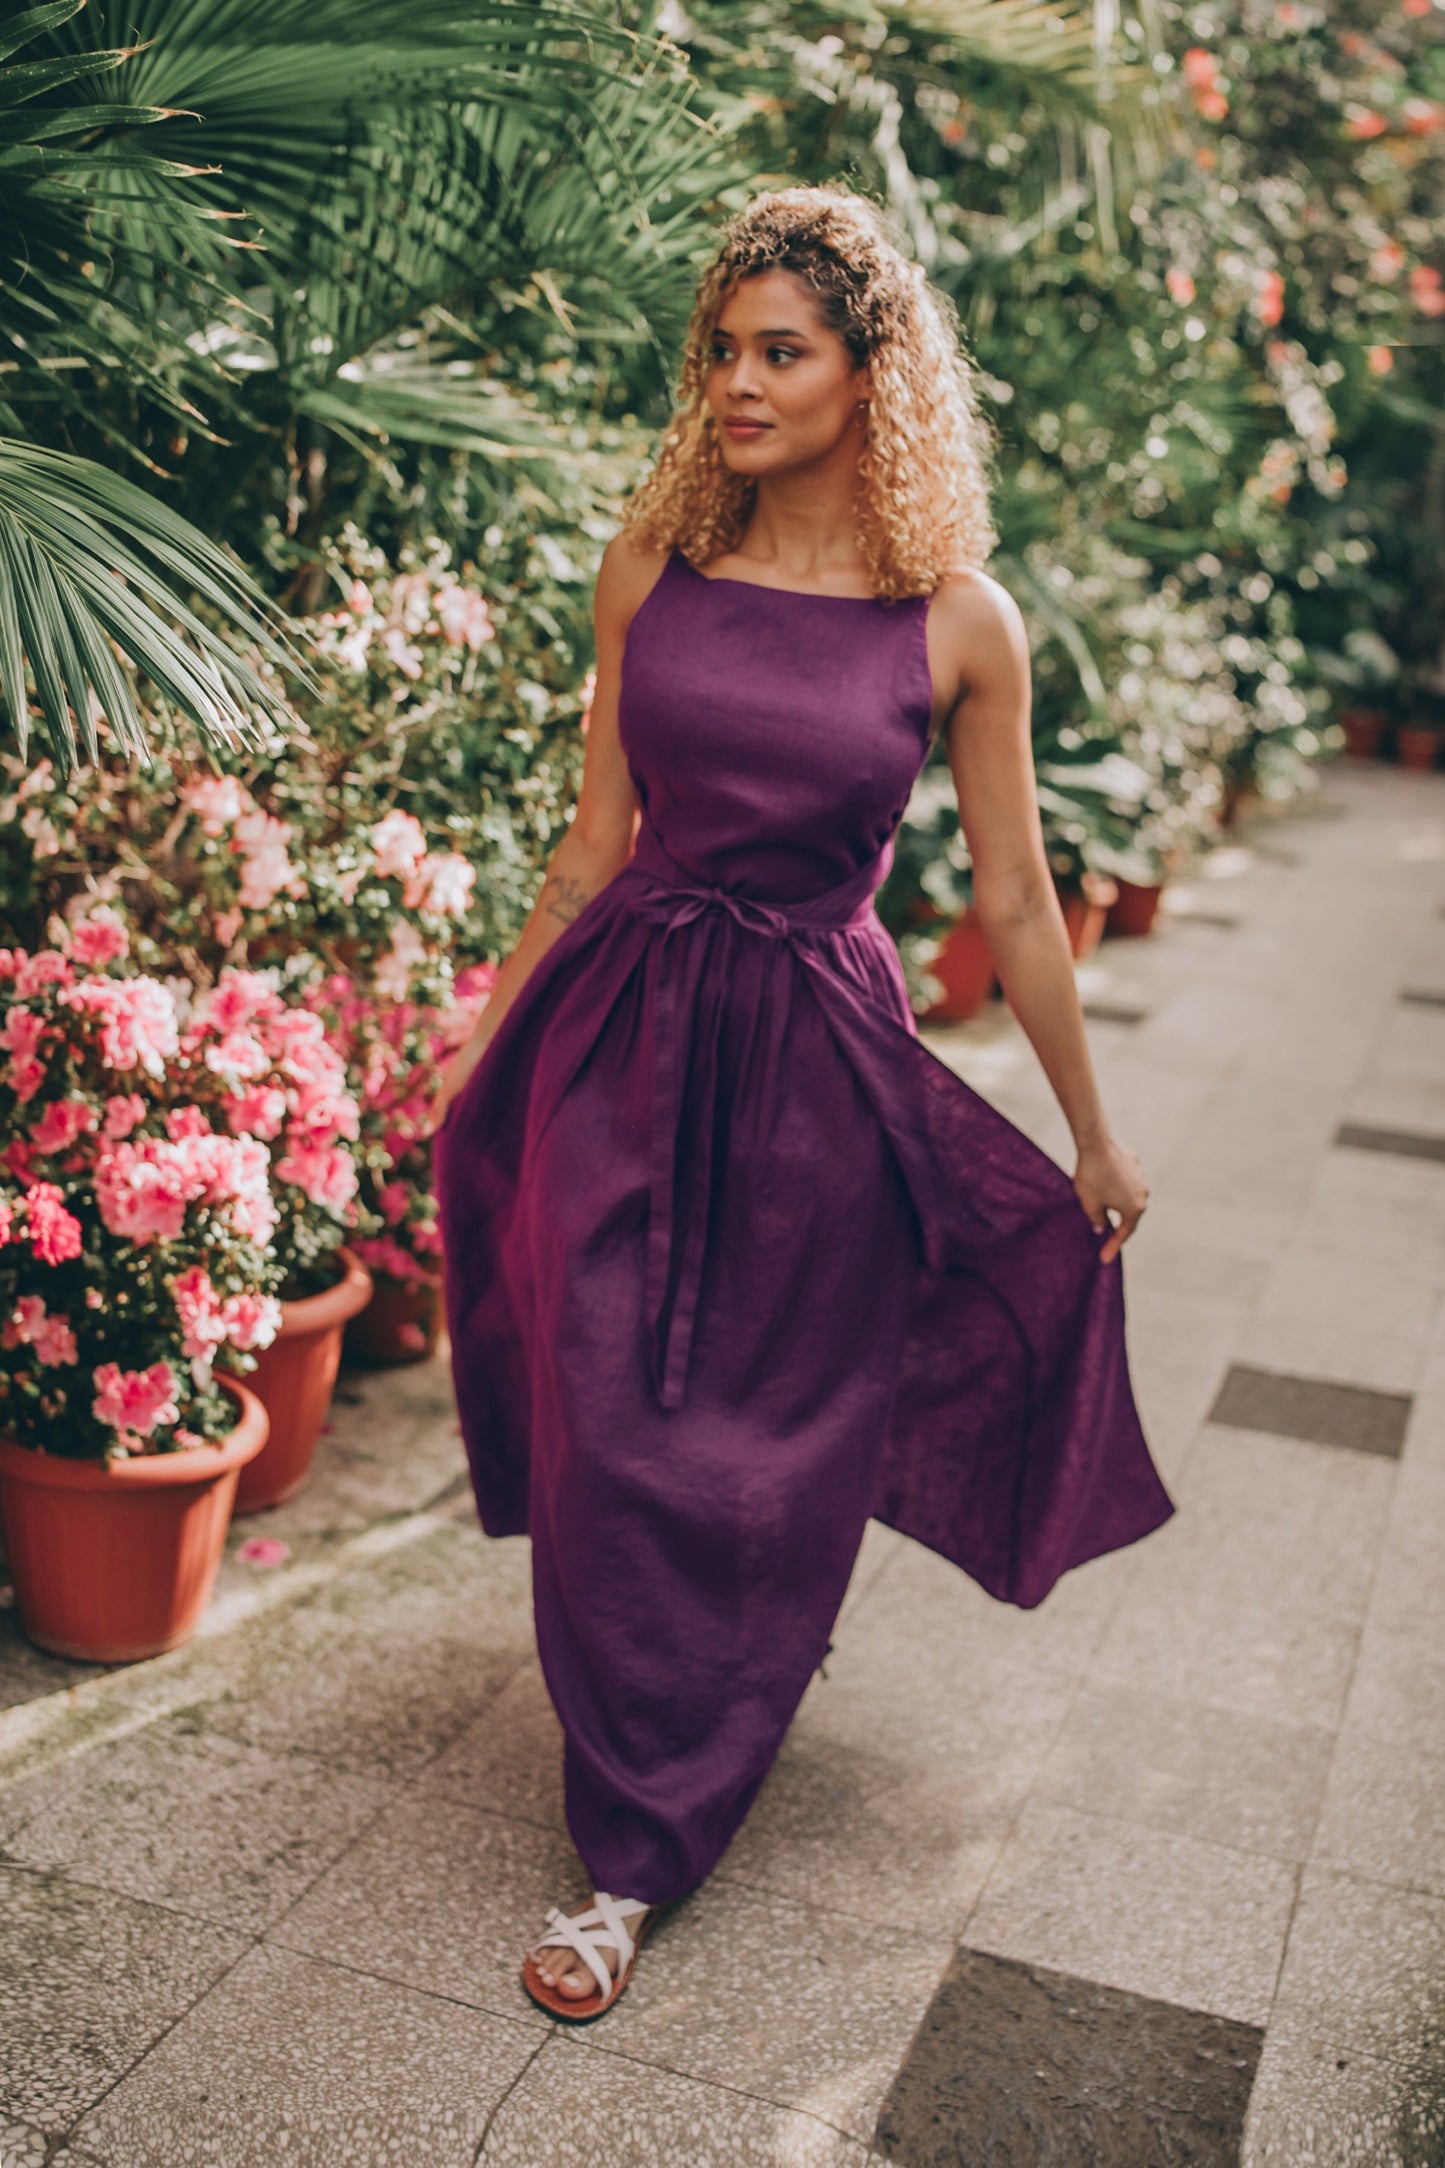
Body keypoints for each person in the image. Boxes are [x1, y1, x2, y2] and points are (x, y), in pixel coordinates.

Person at [432, 183, 1173, 2022]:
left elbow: (1008, 900)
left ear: (872, 374)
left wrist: (1088, 1127)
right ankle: (626, 1834)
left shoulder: (956, 621)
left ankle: (681, 1771)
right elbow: (592, 846)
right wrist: (490, 1032)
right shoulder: (650, 566)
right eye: (725, 351)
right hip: (624, 1043)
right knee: (614, 1423)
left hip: (820, 1078)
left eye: (784, 351)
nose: (740, 383)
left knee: (764, 1460)